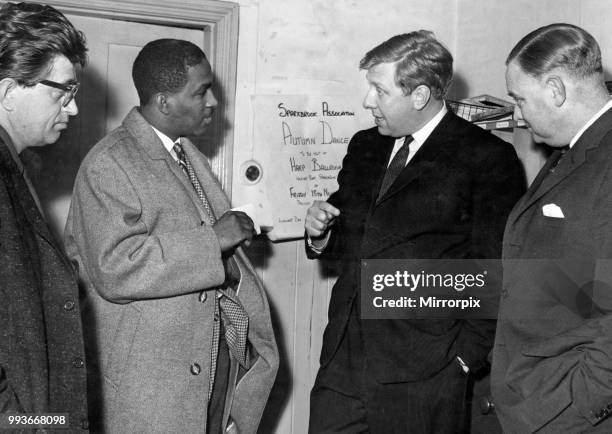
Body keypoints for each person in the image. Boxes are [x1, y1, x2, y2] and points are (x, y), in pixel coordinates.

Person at [305, 30, 525, 433]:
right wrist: (320, 234)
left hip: (427, 368)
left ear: (420, 95)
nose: (367, 101)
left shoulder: (487, 157)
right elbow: (352, 232)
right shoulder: (365, 146)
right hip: (344, 358)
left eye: (379, 90)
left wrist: (465, 358)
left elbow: (497, 267)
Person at [64, 39, 278, 433]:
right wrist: (214, 240)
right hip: (147, 389)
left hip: (204, 372)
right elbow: (115, 268)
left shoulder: (186, 155)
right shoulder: (108, 164)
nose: (213, 101)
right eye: (201, 92)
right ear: (163, 102)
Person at [491, 23, 612, 433]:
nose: (518, 116)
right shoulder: (572, 149)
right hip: (537, 399)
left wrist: (576, 404)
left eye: (519, 100)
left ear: (557, 90)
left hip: (570, 413)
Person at [0, 2, 89, 431]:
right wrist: (24, 423)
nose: (72, 110)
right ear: (7, 93)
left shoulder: (15, 167)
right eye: (62, 92)